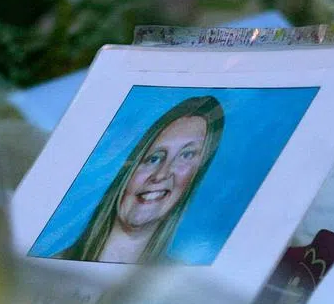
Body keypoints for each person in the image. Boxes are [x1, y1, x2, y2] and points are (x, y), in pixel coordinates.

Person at [56, 95, 224, 263]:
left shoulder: (182, 276)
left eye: (186, 155)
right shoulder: (52, 265)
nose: (161, 174)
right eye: (154, 158)